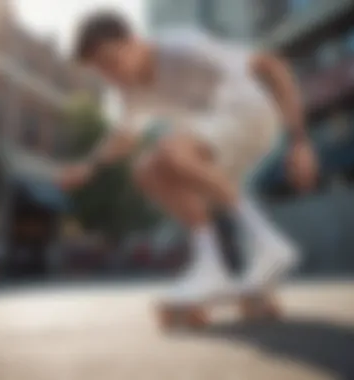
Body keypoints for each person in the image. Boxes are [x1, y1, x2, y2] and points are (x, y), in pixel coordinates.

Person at [58, 11, 317, 326]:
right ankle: (212, 267)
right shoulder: (131, 93)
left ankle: (266, 243)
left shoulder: (181, 46)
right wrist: (90, 167)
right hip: (215, 143)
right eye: (102, 71)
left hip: (252, 114)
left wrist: (299, 141)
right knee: (146, 170)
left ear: (135, 42)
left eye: (112, 61)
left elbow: (270, 65)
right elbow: (124, 137)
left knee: (171, 149)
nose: (113, 76)